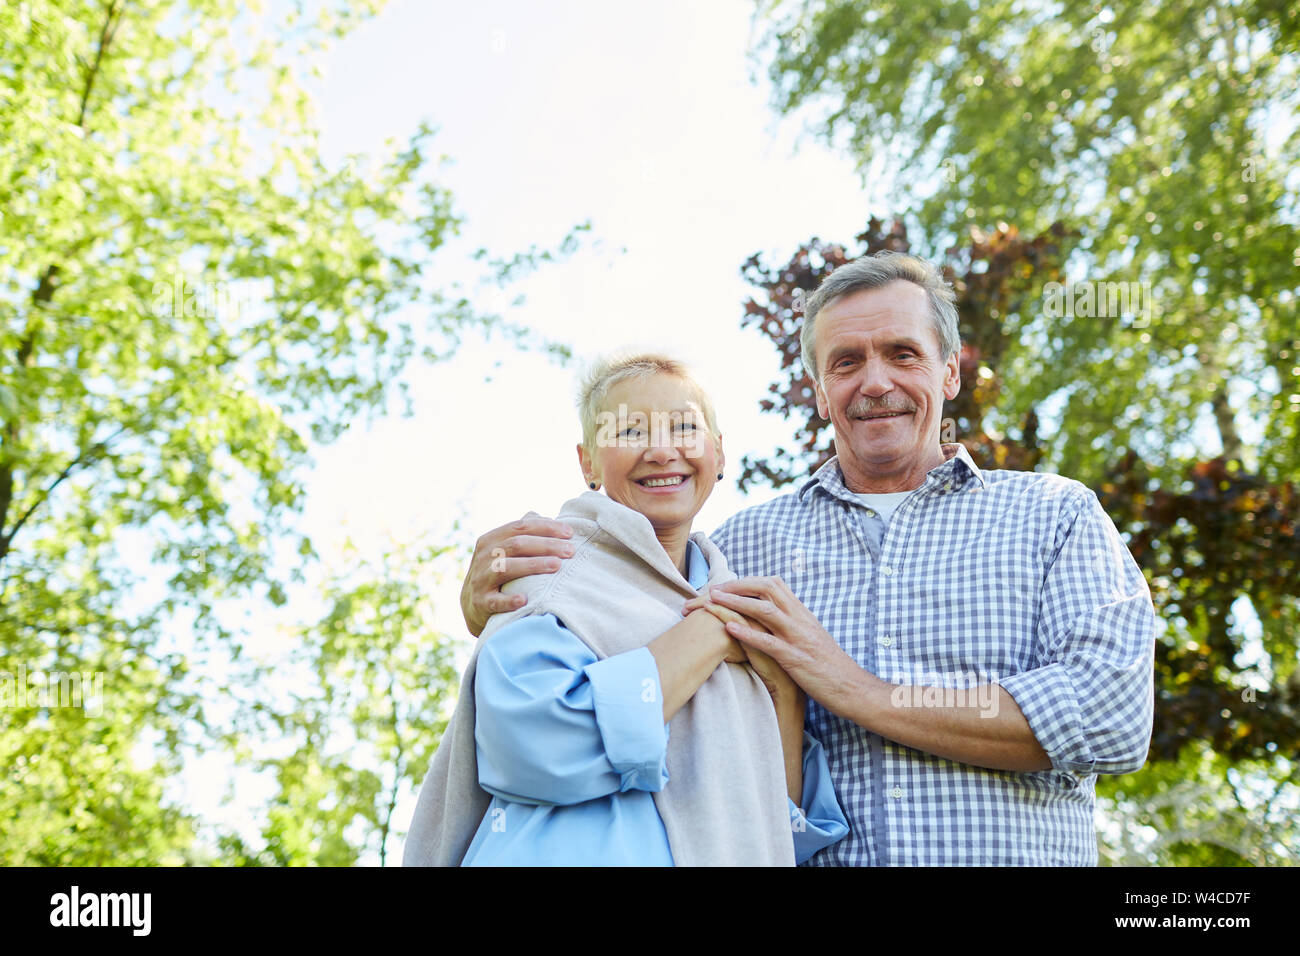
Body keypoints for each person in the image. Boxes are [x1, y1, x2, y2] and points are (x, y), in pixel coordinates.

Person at [455, 252, 1159, 866]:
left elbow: (1109, 715)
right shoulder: (737, 554)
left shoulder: (1053, 516)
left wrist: (858, 690)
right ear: (821, 392)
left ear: (949, 372)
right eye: (846, 362)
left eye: (903, 354)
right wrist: (491, 602)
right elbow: (622, 630)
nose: (874, 381)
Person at [403, 353, 848, 866]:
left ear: (720, 454)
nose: (662, 451)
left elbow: (775, 825)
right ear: (588, 461)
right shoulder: (547, 566)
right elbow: (538, 749)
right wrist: (710, 631)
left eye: (684, 426)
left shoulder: (744, 607)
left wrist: (786, 696)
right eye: (631, 431)